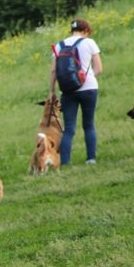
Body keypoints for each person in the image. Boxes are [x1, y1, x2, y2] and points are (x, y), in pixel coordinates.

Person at [52, 17, 105, 166]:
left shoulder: (59, 45)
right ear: (86, 30)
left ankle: (65, 162)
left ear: (72, 30)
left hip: (67, 90)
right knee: (88, 125)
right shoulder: (89, 43)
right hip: (89, 88)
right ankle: (91, 159)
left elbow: (53, 71)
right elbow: (99, 69)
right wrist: (85, 79)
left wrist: (51, 91)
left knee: (68, 128)